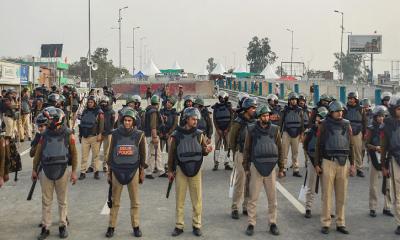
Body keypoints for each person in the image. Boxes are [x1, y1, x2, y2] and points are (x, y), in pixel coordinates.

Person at [31, 107, 78, 240]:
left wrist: (74, 172)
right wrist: (34, 169)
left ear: (58, 120)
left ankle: (62, 225)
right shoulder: (44, 134)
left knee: (62, 201)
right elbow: (38, 153)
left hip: (62, 170)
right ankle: (46, 227)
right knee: (46, 201)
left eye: (50, 119)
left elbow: (74, 154)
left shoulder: (68, 134)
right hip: (46, 170)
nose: (48, 121)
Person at [167, 107, 213, 237]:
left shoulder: (199, 134)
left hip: (196, 170)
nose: (195, 121)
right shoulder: (176, 135)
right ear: (186, 119)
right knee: (180, 200)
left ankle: (197, 225)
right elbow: (172, 154)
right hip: (181, 169)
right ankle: (179, 225)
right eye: (193, 119)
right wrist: (170, 170)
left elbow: (203, 150)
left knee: (197, 199)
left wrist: (207, 150)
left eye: (196, 119)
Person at [315, 100, 356, 235]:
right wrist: (317, 164)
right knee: (326, 195)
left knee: (341, 195)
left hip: (343, 163)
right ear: (331, 112)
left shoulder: (346, 125)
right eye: (337, 111)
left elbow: (351, 146)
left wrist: (353, 164)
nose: (340, 113)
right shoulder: (324, 125)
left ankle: (340, 222)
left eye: (341, 111)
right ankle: (326, 223)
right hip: (328, 162)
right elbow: (318, 145)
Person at [242, 105, 284, 236]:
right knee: (253, 198)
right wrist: (246, 167)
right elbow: (247, 149)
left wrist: (281, 167)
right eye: (264, 115)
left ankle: (272, 223)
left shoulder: (275, 130)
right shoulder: (252, 129)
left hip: (271, 167)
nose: (266, 117)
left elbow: (280, 149)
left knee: (272, 198)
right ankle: (251, 223)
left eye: (268, 115)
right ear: (259, 117)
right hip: (256, 167)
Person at [105, 109, 147, 238]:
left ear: (133, 122)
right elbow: (111, 153)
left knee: (135, 201)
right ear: (122, 121)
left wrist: (142, 171)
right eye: (125, 120)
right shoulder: (115, 134)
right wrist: (109, 172)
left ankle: (136, 226)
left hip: (133, 171)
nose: (127, 122)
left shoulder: (139, 134)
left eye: (130, 120)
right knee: (115, 201)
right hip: (117, 170)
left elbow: (142, 154)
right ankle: (111, 227)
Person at [229, 97, 257, 219]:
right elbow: (232, 139)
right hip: (240, 154)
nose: (254, 110)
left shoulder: (255, 120)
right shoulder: (238, 122)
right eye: (252, 108)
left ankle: (246, 206)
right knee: (240, 182)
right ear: (246, 109)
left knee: (250, 183)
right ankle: (235, 207)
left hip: (252, 155)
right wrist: (235, 153)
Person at [366, 105, 393, 218]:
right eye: (379, 116)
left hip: (386, 157)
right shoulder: (371, 128)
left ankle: (387, 207)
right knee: (374, 185)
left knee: (388, 184)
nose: (381, 118)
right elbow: (366, 144)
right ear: (375, 117)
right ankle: (373, 207)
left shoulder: (388, 128)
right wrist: (375, 148)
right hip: (374, 157)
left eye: (383, 116)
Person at [303, 106, 328, 218]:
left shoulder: (328, 133)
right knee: (311, 185)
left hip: (326, 161)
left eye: (321, 119)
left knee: (326, 187)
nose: (319, 121)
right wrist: (312, 161)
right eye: (318, 118)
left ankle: (326, 209)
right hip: (313, 160)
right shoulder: (311, 131)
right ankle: (308, 207)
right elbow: (305, 145)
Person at [381, 94, 400, 235]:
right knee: (397, 194)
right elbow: (384, 146)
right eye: (399, 108)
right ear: (393, 109)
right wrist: (384, 165)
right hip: (395, 160)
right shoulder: (387, 124)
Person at [78, 96, 104, 180]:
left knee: (95, 156)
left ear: (95, 103)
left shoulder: (99, 112)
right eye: (89, 102)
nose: (90, 103)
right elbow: (81, 124)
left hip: (94, 136)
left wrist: (100, 134)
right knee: (84, 156)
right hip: (85, 137)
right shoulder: (85, 111)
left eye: (91, 102)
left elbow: (101, 124)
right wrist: (80, 135)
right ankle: (82, 172)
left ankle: (96, 172)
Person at [280, 92, 305, 177]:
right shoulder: (285, 110)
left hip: (297, 134)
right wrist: (280, 134)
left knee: (295, 153)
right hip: (286, 133)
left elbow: (302, 123)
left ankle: (296, 170)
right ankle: (283, 169)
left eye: (295, 100)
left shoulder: (300, 110)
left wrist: (302, 134)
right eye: (292, 100)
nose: (294, 101)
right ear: (289, 100)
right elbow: (281, 122)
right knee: (284, 153)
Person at [344, 92, 368, 177]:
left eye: (352, 98)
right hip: (347, 132)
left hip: (358, 132)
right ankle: (350, 169)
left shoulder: (361, 109)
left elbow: (364, 122)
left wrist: (365, 133)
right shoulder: (345, 109)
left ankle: (359, 169)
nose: (350, 100)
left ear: (355, 99)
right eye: (349, 98)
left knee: (358, 151)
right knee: (348, 151)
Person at [144, 95, 166, 179]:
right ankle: (149, 172)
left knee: (158, 153)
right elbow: (153, 125)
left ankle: (160, 170)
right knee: (152, 154)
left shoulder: (149, 110)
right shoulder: (153, 111)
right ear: (158, 103)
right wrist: (154, 137)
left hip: (151, 134)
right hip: (153, 135)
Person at [211, 91, 233, 171]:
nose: (222, 99)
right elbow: (214, 119)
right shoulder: (216, 107)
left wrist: (227, 129)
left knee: (227, 146)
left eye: (223, 98)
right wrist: (218, 129)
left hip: (227, 130)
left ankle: (226, 163)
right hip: (218, 130)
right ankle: (216, 164)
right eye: (220, 98)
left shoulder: (229, 107)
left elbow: (231, 118)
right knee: (217, 146)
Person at [99, 96, 115, 172]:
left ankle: (105, 165)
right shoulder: (98, 110)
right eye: (102, 102)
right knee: (95, 150)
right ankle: (93, 166)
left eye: (105, 102)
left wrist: (110, 130)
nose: (103, 103)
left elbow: (113, 122)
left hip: (108, 133)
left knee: (106, 150)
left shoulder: (111, 111)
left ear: (108, 103)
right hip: (99, 133)